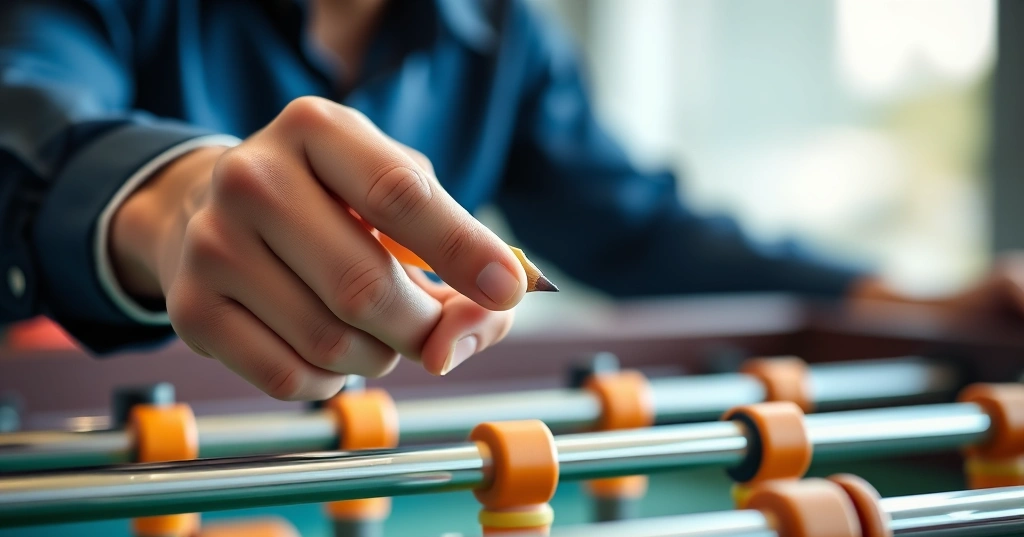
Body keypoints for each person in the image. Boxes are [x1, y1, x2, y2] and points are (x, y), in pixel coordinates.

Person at [1, 0, 1020, 401]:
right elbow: (26, 113)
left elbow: (642, 232)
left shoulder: (508, 39)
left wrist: (918, 300)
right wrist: (165, 203)